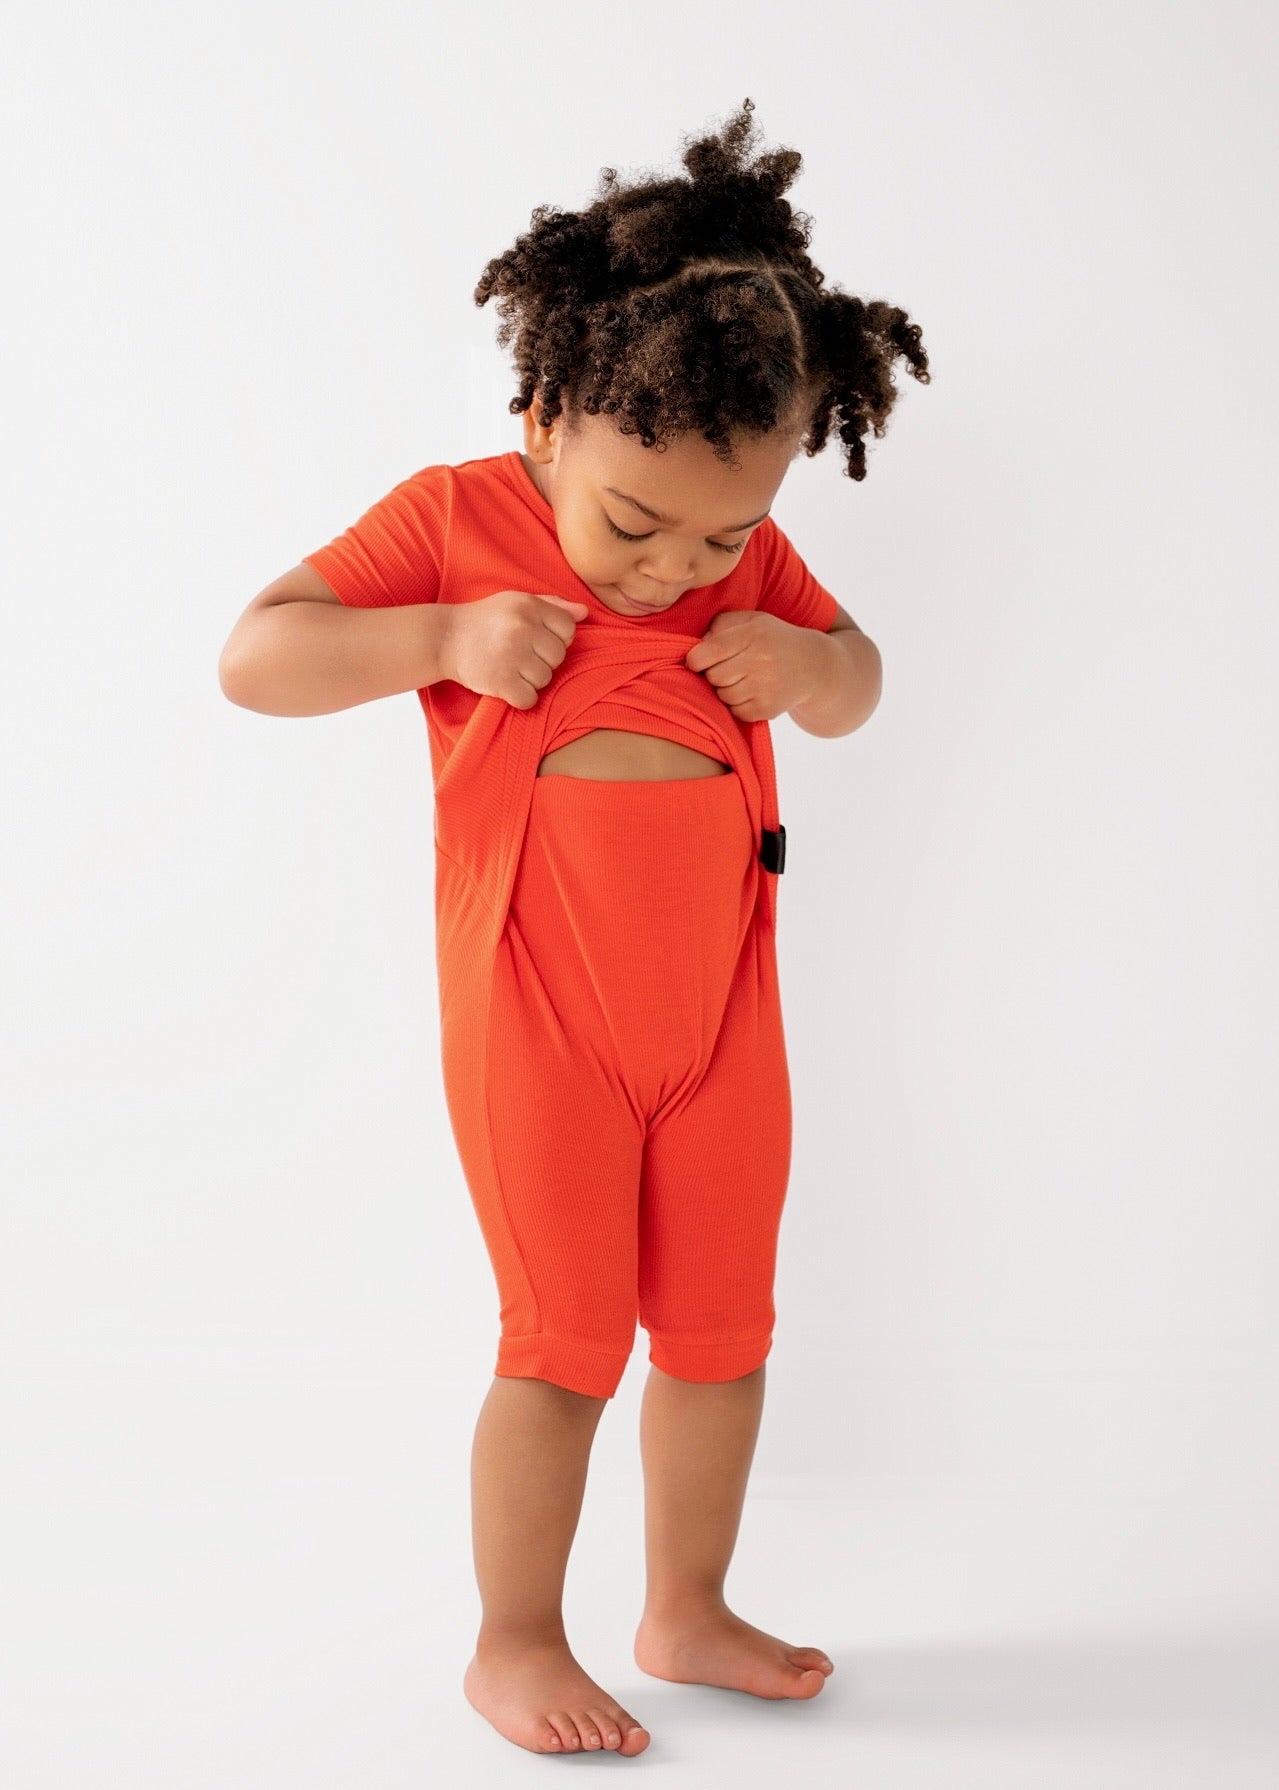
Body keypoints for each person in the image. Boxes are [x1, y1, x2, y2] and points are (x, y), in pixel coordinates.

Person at [218, 97, 928, 1760]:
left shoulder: (747, 566)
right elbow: (256, 655)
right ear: (543, 420)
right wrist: (441, 639)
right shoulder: (457, 522)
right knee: (564, 1345)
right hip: (541, 1019)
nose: (678, 567)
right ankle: (515, 1639)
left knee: (724, 1335)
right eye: (634, 523)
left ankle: (687, 1605)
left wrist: (811, 664)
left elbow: (862, 683)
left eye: (723, 532)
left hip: (723, 1022)